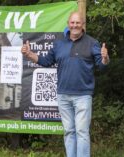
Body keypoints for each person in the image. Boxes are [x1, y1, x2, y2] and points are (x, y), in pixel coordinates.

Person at [21, 11, 109, 157]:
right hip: (63, 96)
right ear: (68, 24)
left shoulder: (92, 43)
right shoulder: (59, 43)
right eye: (72, 22)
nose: (75, 25)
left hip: (83, 96)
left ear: (83, 25)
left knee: (82, 132)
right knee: (69, 132)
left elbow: (102, 65)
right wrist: (29, 55)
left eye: (78, 23)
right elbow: (46, 61)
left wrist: (105, 58)